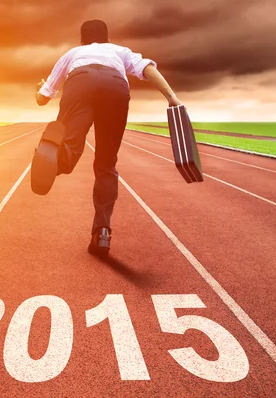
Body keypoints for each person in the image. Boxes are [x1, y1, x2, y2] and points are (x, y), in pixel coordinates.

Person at [31, 20, 182, 256]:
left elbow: (42, 99)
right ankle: (102, 231)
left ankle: (56, 159)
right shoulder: (119, 51)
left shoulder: (73, 53)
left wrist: (40, 89)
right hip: (115, 87)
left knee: (71, 147)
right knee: (106, 163)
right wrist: (172, 98)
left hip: (80, 83)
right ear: (108, 39)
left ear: (82, 40)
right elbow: (148, 69)